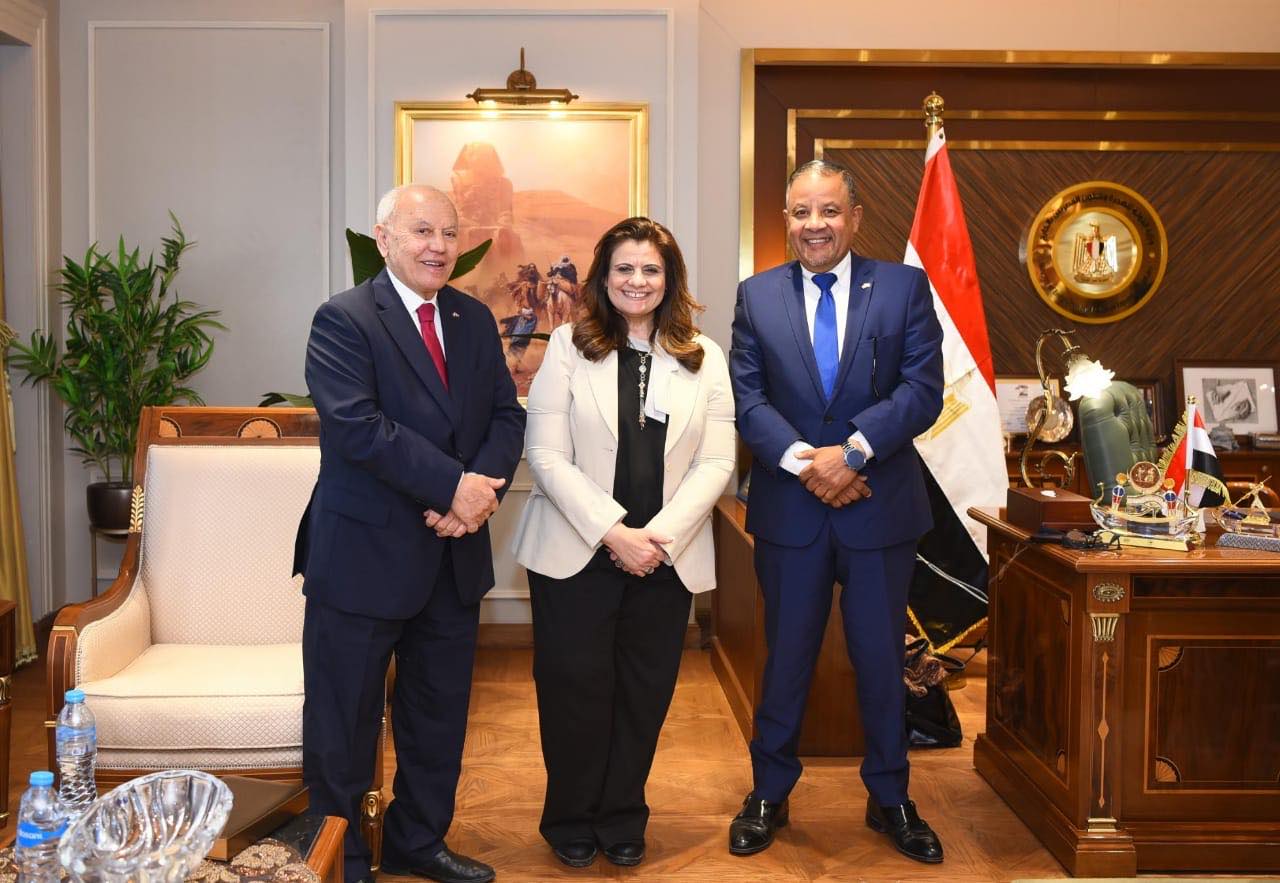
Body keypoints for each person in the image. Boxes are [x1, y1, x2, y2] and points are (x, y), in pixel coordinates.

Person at [294, 183, 526, 883]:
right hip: (362, 558)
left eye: (449, 233)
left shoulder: (472, 318)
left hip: (452, 554)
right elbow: (359, 428)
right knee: (343, 724)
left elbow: (505, 417)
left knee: (437, 719)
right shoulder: (344, 319)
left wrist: (476, 496)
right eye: (422, 231)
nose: (438, 246)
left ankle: (417, 841)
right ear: (384, 237)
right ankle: (341, 858)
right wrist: (453, 486)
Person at [727, 159, 946, 864]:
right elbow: (749, 400)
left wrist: (851, 453)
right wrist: (810, 464)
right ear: (786, 220)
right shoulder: (756, 295)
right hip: (791, 512)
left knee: (881, 660)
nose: (813, 225)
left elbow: (922, 390)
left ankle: (890, 797)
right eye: (800, 212)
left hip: (879, 508)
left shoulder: (903, 287)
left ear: (855, 217)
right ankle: (769, 792)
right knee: (785, 657)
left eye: (827, 211)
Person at [512, 217, 735, 870]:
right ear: (603, 278)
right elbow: (545, 455)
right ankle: (570, 816)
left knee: (644, 694)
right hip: (575, 552)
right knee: (573, 691)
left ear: (671, 280)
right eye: (625, 269)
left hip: (664, 559)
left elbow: (717, 462)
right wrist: (613, 531)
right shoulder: (567, 347)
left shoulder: (704, 356)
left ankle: (622, 815)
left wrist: (656, 539)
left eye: (651, 270)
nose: (638, 281)